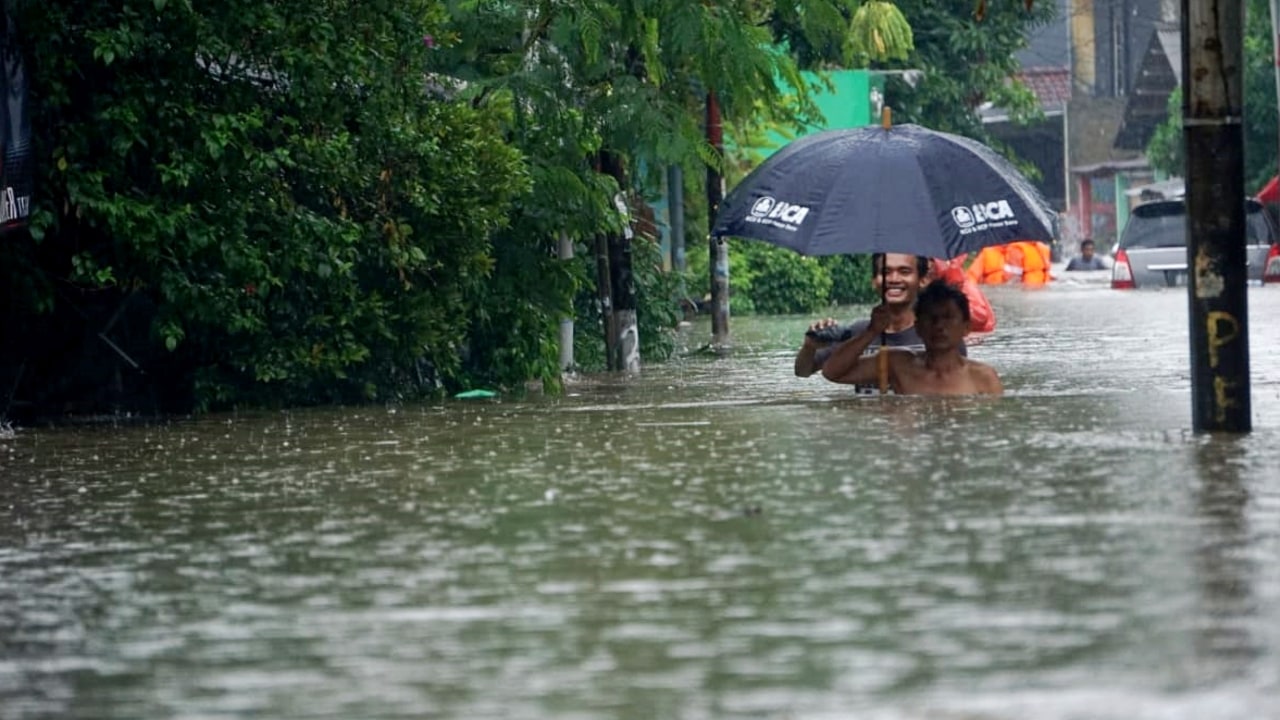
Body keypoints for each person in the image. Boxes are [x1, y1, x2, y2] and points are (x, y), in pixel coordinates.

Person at [794, 252, 985, 394]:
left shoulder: (938, 334)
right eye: (885, 272)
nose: (893, 279)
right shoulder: (858, 332)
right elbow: (804, 372)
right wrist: (809, 347)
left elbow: (952, 384)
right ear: (874, 281)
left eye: (904, 271)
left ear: (923, 279)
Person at [820, 282, 1003, 396]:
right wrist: (871, 331)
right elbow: (832, 372)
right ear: (918, 327)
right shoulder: (899, 364)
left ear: (966, 328)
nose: (939, 325)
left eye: (947, 317)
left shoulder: (983, 377)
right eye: (931, 318)